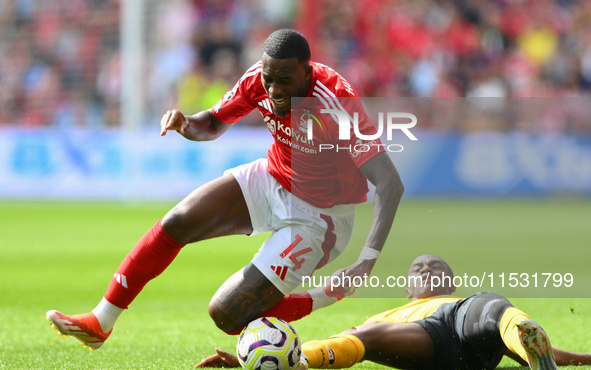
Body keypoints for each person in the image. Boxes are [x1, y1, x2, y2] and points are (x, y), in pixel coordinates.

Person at [45, 29, 404, 350]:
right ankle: (101, 322)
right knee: (178, 221)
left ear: (307, 73)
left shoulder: (336, 103)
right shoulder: (257, 80)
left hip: (319, 218)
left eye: (283, 80)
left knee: (227, 314)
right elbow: (214, 122)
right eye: (268, 79)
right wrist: (187, 123)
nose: (274, 89)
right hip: (272, 178)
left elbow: (389, 183)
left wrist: (367, 260)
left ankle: (330, 293)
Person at [196, 254, 591, 370]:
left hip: (466, 324)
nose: (426, 267)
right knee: (364, 334)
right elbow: (345, 341)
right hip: (427, 340)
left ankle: (529, 348)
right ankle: (296, 361)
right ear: (407, 289)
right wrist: (249, 361)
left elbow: (544, 345)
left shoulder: (460, 299)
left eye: (434, 267)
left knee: (493, 308)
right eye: (418, 269)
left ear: (449, 280)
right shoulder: (391, 313)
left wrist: (582, 359)